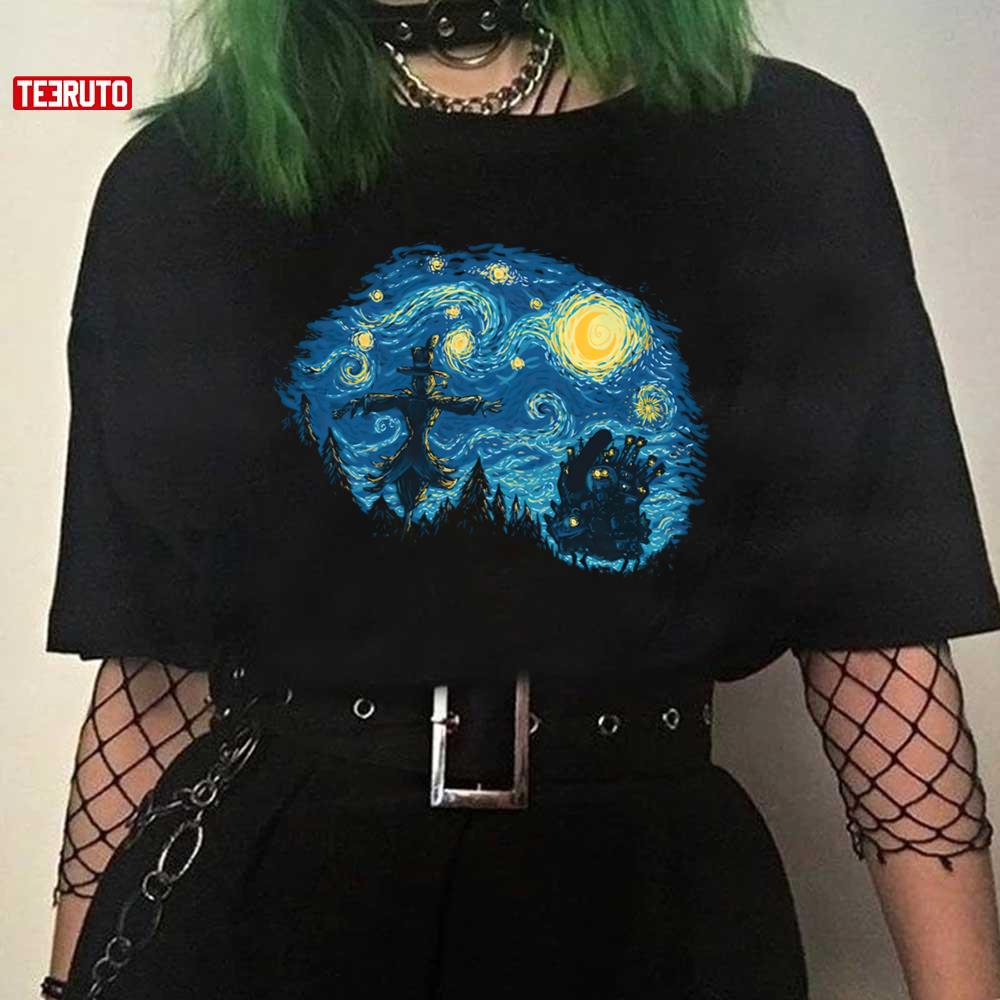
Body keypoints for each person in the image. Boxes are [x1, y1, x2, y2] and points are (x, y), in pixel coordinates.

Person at [41, 1, 1000, 998]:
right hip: (269, 905)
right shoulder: (188, 174)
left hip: (645, 903)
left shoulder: (779, 148)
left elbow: (875, 620)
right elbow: (151, 654)